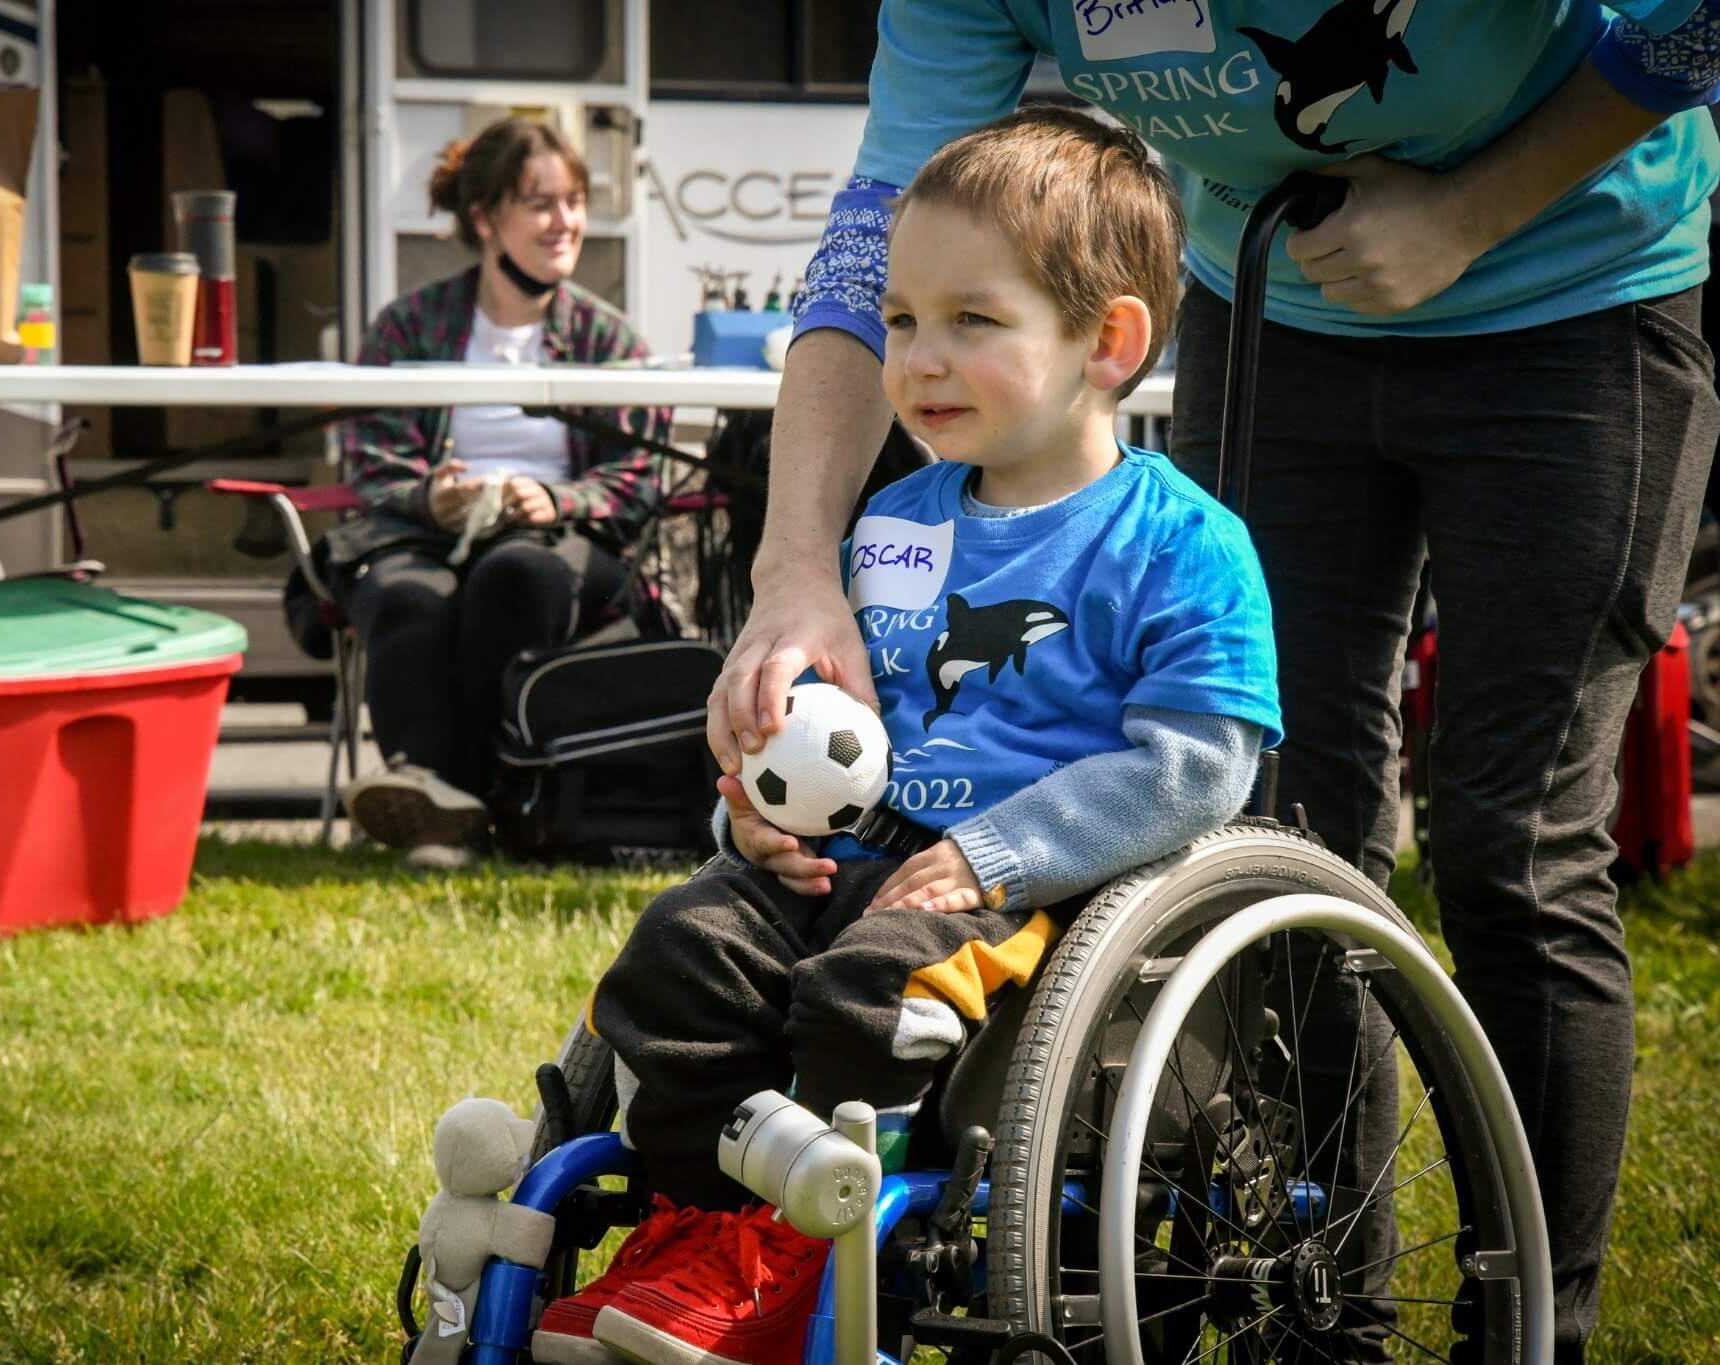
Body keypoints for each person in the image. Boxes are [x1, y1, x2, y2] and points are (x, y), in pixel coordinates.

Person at [711, 3, 1720, 1358]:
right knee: (1281, 838)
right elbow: (878, 221)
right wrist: (794, 572)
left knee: (1510, 847)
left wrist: (1473, 210)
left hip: (1573, 289)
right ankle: (1329, 1318)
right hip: (1276, 303)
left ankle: (1534, 1331)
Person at [529, 107, 1282, 1365]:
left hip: (1037, 895)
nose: (918, 360)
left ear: (1108, 342)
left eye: (969, 321)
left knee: (874, 984)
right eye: (896, 320)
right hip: (850, 862)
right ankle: (704, 1236)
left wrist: (994, 852)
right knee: (679, 948)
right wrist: (751, 816)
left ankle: (789, 1256)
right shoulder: (886, 525)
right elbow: (825, 733)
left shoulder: (1180, 542)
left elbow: (1198, 765)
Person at [319, 117, 669, 870]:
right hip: (427, 531)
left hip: (558, 537)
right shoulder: (410, 326)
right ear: (485, 219)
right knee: (407, 593)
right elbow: (370, 456)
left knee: (518, 573)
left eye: (573, 200)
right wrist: (427, 498)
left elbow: (638, 476)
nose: (566, 221)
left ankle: (482, 801)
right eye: (540, 203)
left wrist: (560, 500)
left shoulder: (610, 341)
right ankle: (436, 803)